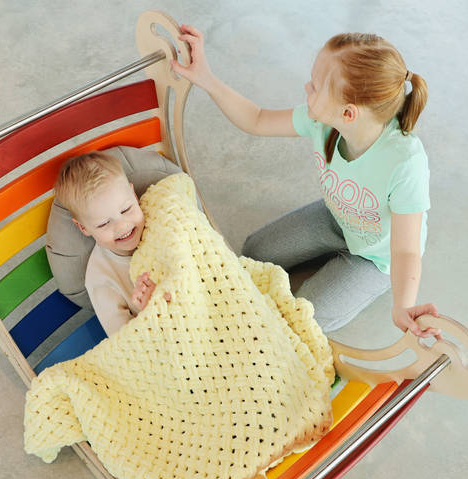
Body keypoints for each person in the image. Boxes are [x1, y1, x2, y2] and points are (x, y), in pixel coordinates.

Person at [172, 25, 440, 337]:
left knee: (300, 320)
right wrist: (206, 77)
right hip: (338, 219)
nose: (306, 88)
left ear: (348, 113)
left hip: (377, 257)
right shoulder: (323, 121)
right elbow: (257, 119)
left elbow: (406, 251)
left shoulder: (405, 161)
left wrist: (403, 305)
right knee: (255, 249)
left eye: (314, 87)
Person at [54, 152, 169, 335]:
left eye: (126, 209)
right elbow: (123, 340)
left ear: (134, 195)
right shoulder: (101, 278)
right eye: (104, 223)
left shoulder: (160, 216)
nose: (122, 226)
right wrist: (150, 310)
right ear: (83, 228)